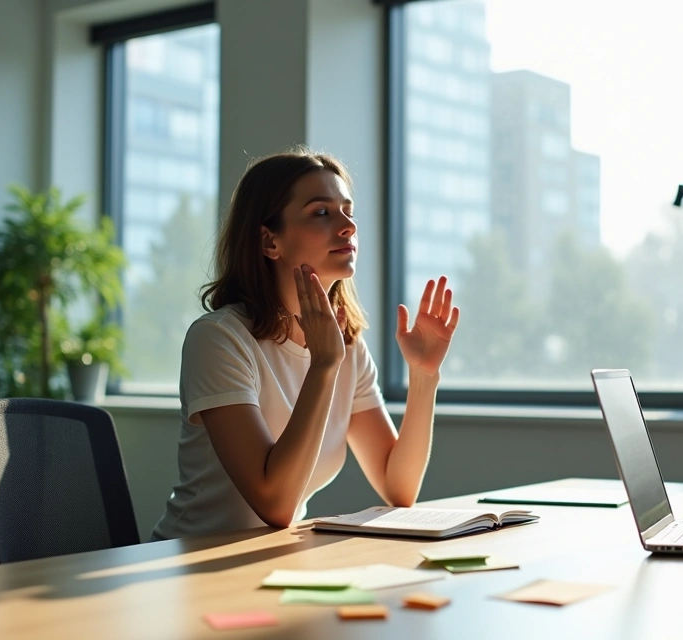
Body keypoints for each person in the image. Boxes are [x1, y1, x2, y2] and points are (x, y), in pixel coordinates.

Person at [151, 148, 459, 540]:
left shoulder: (345, 345)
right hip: (189, 564)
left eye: (348, 211)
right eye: (321, 212)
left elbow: (398, 488)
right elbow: (275, 504)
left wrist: (423, 375)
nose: (348, 226)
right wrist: (323, 365)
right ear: (269, 241)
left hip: (268, 561)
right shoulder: (219, 339)